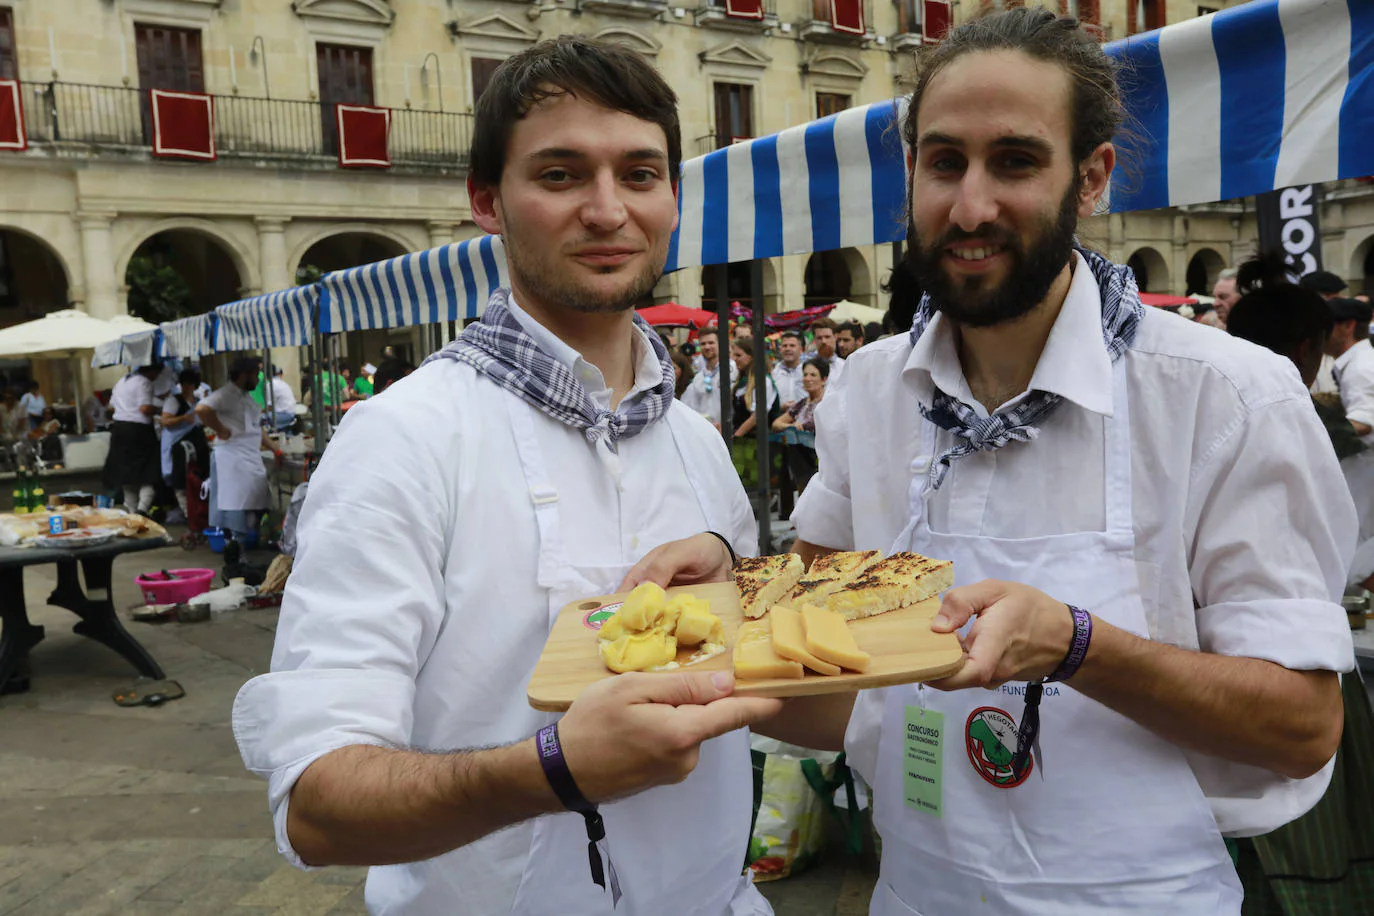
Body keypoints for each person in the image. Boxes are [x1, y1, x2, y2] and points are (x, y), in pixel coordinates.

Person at [639, 11, 1353, 913]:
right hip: (915, 890)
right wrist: (724, 603)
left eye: (1015, 162)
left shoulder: (1228, 397)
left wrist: (1077, 645)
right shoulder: (868, 390)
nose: (970, 207)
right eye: (944, 163)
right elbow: (819, 688)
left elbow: (1302, 728)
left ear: (1090, 177)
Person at [231, 37, 780, 916]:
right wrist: (551, 769)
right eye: (561, 175)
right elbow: (318, 805)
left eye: (640, 174)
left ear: (672, 196)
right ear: (487, 201)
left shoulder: (696, 442)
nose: (609, 211)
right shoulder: (399, 440)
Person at [196, 357, 274, 544]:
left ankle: (246, 538)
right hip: (231, 457)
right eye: (256, 375)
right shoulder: (225, 394)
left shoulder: (247, 398)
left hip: (249, 456)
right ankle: (236, 545)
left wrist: (274, 448)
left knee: (257, 497)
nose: (258, 380)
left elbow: (257, 427)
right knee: (235, 503)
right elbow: (202, 409)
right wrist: (220, 429)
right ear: (244, 374)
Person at [103, 364, 164, 514]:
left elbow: (110, 409)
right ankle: (142, 509)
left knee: (127, 475)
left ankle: (131, 511)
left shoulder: (121, 381)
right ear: (152, 370)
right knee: (148, 473)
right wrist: (160, 409)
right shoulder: (144, 382)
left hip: (119, 429)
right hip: (139, 431)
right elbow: (144, 408)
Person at [770, 357, 828, 492]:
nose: (808, 379)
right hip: (799, 461)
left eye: (813, 375)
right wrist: (791, 426)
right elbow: (776, 424)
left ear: (824, 379)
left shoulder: (829, 402)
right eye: (805, 375)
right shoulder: (801, 404)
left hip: (820, 461)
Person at [728, 337, 778, 491]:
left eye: (738, 355)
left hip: (755, 442)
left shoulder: (764, 381)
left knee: (752, 483)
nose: (734, 359)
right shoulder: (741, 383)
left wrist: (736, 435)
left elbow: (757, 415)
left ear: (750, 356)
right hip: (742, 441)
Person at [160, 369, 210, 521]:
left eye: (190, 384)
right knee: (180, 480)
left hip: (196, 445)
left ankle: (197, 511)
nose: (187, 387)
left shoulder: (196, 402)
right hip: (178, 447)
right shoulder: (173, 401)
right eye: (185, 384)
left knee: (197, 477)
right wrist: (183, 418)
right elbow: (165, 421)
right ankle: (189, 513)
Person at [1324, 296, 1374, 445]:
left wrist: (1316, 431)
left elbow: (1364, 422)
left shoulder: (1360, 367)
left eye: (1325, 326)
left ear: (1348, 326)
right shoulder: (1361, 360)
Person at [679, 325, 735, 427]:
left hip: (728, 430)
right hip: (707, 430)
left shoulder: (731, 369)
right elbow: (688, 404)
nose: (707, 347)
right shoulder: (699, 377)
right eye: (703, 344)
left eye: (711, 343)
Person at [769, 330, 806, 408]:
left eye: (792, 346)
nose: (788, 349)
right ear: (780, 349)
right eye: (784, 346)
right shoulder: (773, 373)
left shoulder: (807, 371)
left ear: (801, 350)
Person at [807, 317, 844, 382]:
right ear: (814, 339)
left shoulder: (844, 366)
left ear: (835, 337)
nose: (823, 341)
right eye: (819, 338)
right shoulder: (805, 364)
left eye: (827, 337)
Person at [269, 368, 298, 432]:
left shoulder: (270, 384)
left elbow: (269, 406)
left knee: (259, 418)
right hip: (290, 413)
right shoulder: (282, 383)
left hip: (283, 414)